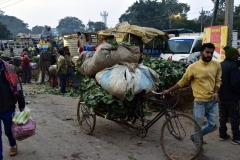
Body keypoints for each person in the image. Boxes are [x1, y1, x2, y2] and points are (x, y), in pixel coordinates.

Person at [163, 43, 221, 149]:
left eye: (211, 53)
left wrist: (216, 92)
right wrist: (169, 90)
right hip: (199, 102)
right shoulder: (193, 67)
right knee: (197, 126)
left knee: (214, 125)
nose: (209, 55)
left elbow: (218, 80)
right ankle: (198, 149)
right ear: (201, 52)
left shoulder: (216, 65)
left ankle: (196, 136)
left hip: (212, 101)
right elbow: (183, 82)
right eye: (207, 52)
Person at [0, 54, 25, 159]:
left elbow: (18, 88)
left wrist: (21, 103)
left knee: (9, 131)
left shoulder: (9, 69)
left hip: (8, 106)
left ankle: (13, 145)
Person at [218, 46, 240, 145]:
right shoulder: (234, 66)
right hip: (232, 96)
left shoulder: (221, 64)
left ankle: (222, 135)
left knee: (223, 116)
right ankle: (236, 138)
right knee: (234, 117)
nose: (237, 56)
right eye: (236, 54)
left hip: (221, 95)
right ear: (232, 55)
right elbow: (235, 82)